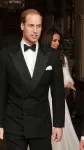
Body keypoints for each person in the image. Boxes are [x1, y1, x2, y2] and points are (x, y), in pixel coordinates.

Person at [0, 9, 65, 150]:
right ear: (22, 26)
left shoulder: (52, 55)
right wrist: (0, 124)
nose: (35, 30)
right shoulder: (6, 54)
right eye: (31, 26)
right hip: (14, 122)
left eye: (38, 26)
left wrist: (58, 124)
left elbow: (58, 92)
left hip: (41, 123)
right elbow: (1, 91)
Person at [41, 28, 80, 150]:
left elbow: (66, 76)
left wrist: (68, 83)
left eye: (58, 41)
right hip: (41, 97)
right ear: (47, 41)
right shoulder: (38, 55)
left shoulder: (62, 57)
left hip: (56, 97)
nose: (57, 43)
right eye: (54, 40)